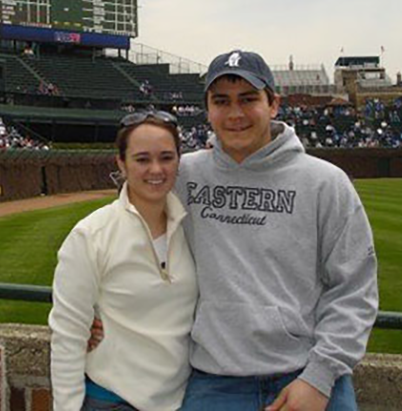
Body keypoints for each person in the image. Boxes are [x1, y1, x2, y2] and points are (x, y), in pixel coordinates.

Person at [90, 50, 378, 411]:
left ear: (273, 104)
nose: (235, 114)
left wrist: (319, 377)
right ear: (208, 109)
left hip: (309, 376)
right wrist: (89, 306)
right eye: (221, 101)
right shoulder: (184, 176)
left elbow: (355, 288)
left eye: (248, 99)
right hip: (215, 382)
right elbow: (122, 236)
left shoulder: (325, 183)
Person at [49, 110, 198, 411]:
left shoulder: (194, 230)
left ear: (179, 161)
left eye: (166, 157)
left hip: (182, 400)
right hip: (111, 401)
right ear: (121, 162)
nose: (156, 169)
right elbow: (67, 336)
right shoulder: (90, 235)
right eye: (142, 159)